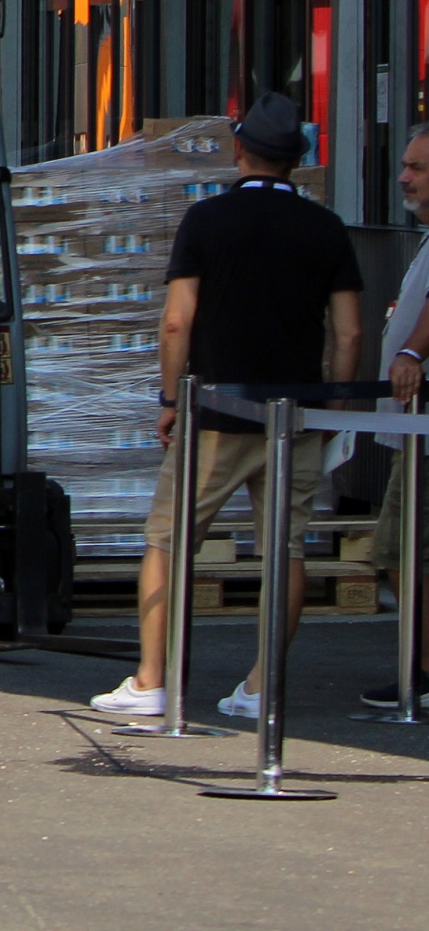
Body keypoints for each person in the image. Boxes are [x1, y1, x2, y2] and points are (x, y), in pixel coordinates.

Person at [89, 93, 363, 725]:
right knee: (286, 548)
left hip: (217, 411)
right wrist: (334, 404)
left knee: (169, 540)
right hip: (296, 415)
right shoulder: (327, 228)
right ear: (298, 158)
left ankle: (152, 680)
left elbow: (176, 324)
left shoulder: (206, 221)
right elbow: (348, 334)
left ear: (238, 149)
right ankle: (262, 685)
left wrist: (167, 397)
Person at [362, 125, 429, 706]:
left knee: (397, 549)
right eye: (406, 165)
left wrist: (413, 350)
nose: (404, 176)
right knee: (399, 550)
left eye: (418, 167)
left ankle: (423, 670)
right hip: (413, 429)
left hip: (424, 434)